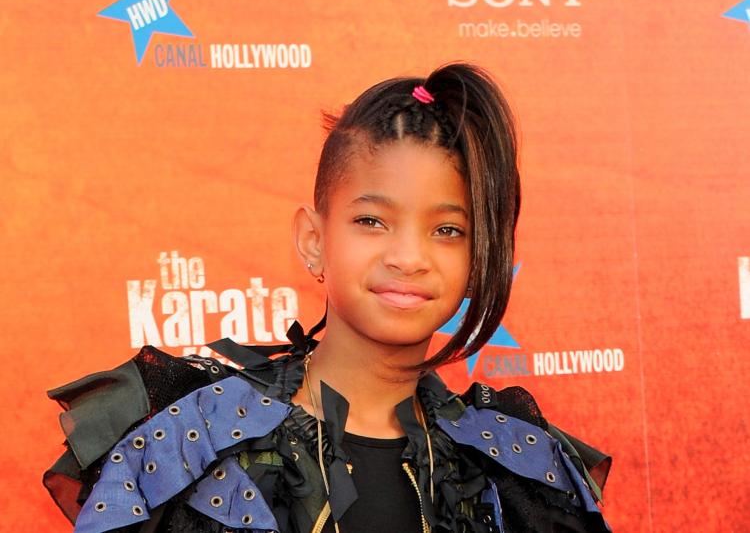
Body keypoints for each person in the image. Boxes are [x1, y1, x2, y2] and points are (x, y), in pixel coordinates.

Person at [44, 62, 612, 533]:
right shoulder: (190, 445)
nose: (409, 256)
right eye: (372, 220)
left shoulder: (517, 468)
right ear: (313, 241)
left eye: (447, 230)